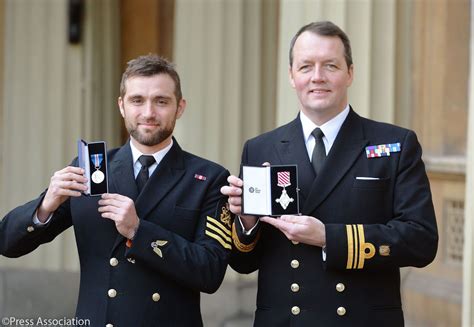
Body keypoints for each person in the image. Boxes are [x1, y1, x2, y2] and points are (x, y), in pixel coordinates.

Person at [221, 21, 438, 326]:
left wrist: (328, 238)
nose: (317, 77)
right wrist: (246, 222)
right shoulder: (260, 149)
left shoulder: (394, 144)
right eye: (306, 66)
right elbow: (244, 263)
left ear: (350, 73)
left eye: (330, 66)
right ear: (291, 75)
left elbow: (421, 241)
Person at [0, 54, 233, 326]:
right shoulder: (92, 168)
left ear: (180, 107)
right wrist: (45, 206)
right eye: (137, 100)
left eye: (161, 101)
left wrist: (138, 231)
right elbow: (7, 244)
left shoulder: (209, 178)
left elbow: (210, 272)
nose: (148, 113)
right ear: (121, 106)